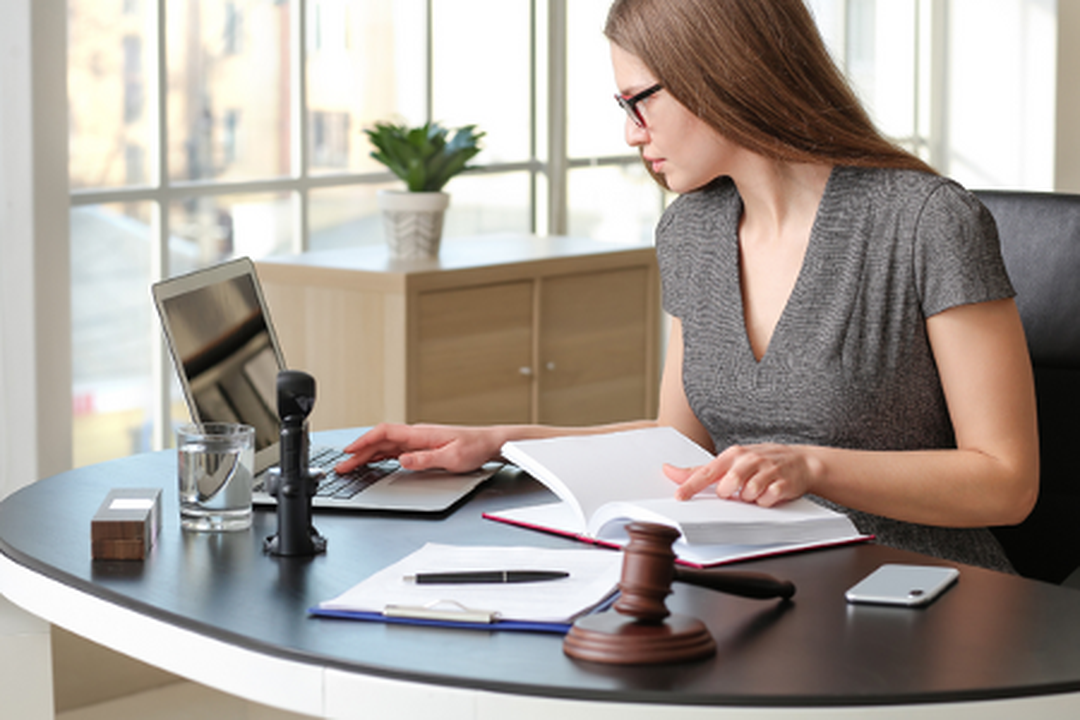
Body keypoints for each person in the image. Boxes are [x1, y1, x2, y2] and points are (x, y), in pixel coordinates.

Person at [337, 0, 1038, 571]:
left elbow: (1007, 482)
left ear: (719, 74)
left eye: (639, 101)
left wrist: (812, 467)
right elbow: (677, 441)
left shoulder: (926, 221)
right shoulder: (692, 230)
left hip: (915, 589)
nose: (630, 133)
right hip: (750, 581)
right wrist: (498, 441)